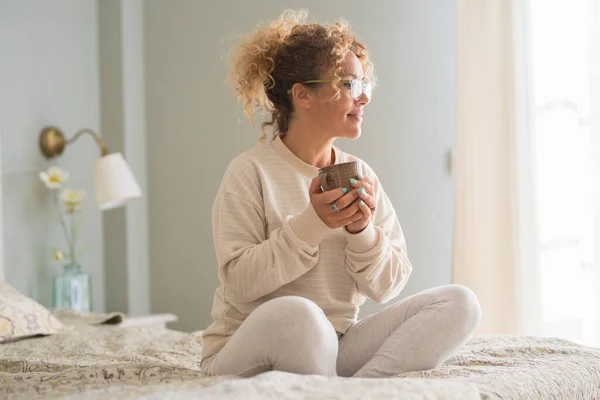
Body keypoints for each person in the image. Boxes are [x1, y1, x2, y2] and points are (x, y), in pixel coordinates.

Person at [201, 10, 481, 378]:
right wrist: (312, 223)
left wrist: (361, 233)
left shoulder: (362, 176)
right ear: (303, 95)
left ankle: (352, 392)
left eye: (364, 85)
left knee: (460, 302)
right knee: (299, 312)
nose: (363, 99)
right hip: (249, 349)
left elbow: (388, 285)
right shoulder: (250, 171)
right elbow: (240, 283)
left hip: (334, 346)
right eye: (349, 85)